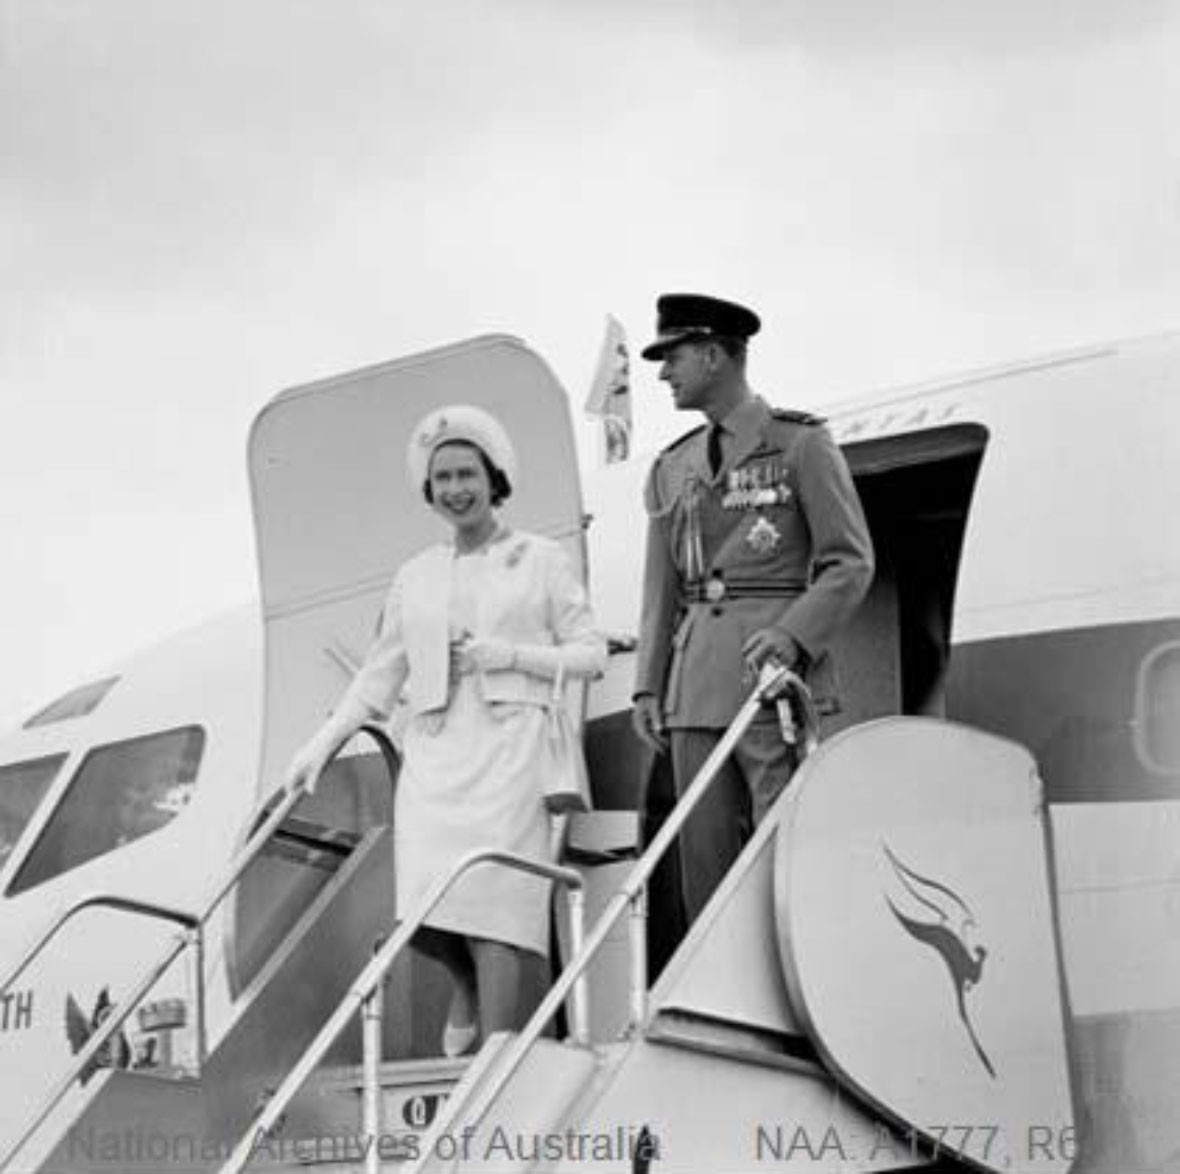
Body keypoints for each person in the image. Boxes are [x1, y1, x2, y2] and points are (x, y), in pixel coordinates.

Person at [284, 404, 606, 1056]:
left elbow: (590, 652)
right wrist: (322, 741)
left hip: (513, 744)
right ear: (429, 491)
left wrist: (512, 656)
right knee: (426, 914)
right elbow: (379, 674)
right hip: (436, 750)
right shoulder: (416, 574)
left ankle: (497, 1049)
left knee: (496, 909)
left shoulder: (540, 559)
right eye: (444, 479)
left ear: (494, 477)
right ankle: (464, 990)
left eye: (467, 473)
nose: (456, 488)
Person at [631, 293, 874, 923]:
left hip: (770, 681)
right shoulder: (671, 465)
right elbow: (661, 589)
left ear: (714, 355)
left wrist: (793, 637)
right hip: (693, 684)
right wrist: (647, 686)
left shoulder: (801, 445)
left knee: (781, 852)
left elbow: (850, 561)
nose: (663, 373)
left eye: (674, 356)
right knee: (704, 867)